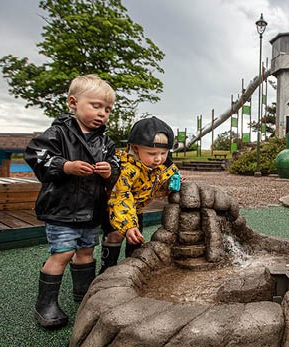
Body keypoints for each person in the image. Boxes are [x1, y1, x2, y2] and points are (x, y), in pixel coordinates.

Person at [25, 74, 119, 328]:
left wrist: (109, 169)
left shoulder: (104, 142)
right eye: (96, 106)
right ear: (73, 102)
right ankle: (45, 304)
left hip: (90, 209)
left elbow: (116, 164)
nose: (102, 113)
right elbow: (36, 154)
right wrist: (65, 166)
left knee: (87, 252)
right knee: (63, 252)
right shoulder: (58, 133)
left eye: (107, 109)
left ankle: (84, 293)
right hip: (62, 208)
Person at [99, 116, 179, 274]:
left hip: (137, 209)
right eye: (152, 153)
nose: (158, 159)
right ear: (135, 148)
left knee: (136, 237)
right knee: (115, 235)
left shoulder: (159, 166)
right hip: (115, 208)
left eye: (163, 153)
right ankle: (107, 270)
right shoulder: (126, 168)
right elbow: (121, 195)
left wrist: (168, 186)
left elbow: (154, 187)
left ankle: (132, 268)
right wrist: (128, 225)